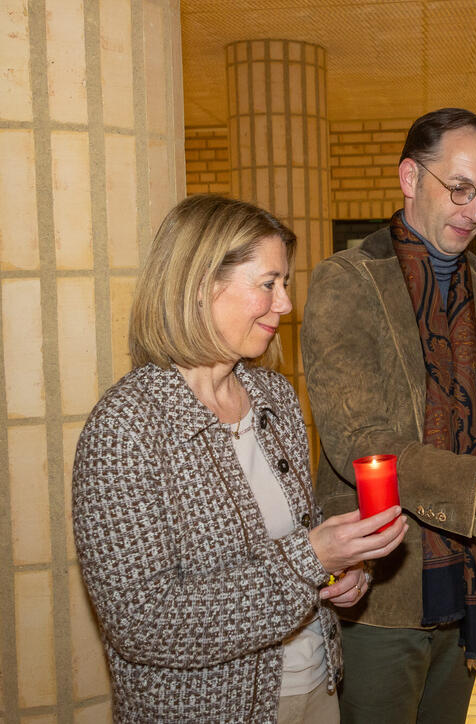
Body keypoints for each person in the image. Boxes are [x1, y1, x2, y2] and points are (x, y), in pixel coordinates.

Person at [72, 194, 408, 723]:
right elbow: (141, 623)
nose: (285, 305)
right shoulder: (127, 426)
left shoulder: (275, 398)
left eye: (285, 285)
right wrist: (311, 561)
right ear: (203, 284)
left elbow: (299, 534)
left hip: (316, 688)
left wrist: (345, 572)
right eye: (268, 284)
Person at [301, 107, 476, 723]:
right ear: (409, 177)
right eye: (460, 189)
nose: (475, 211)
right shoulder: (346, 282)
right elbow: (360, 440)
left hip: (467, 571)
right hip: (380, 582)